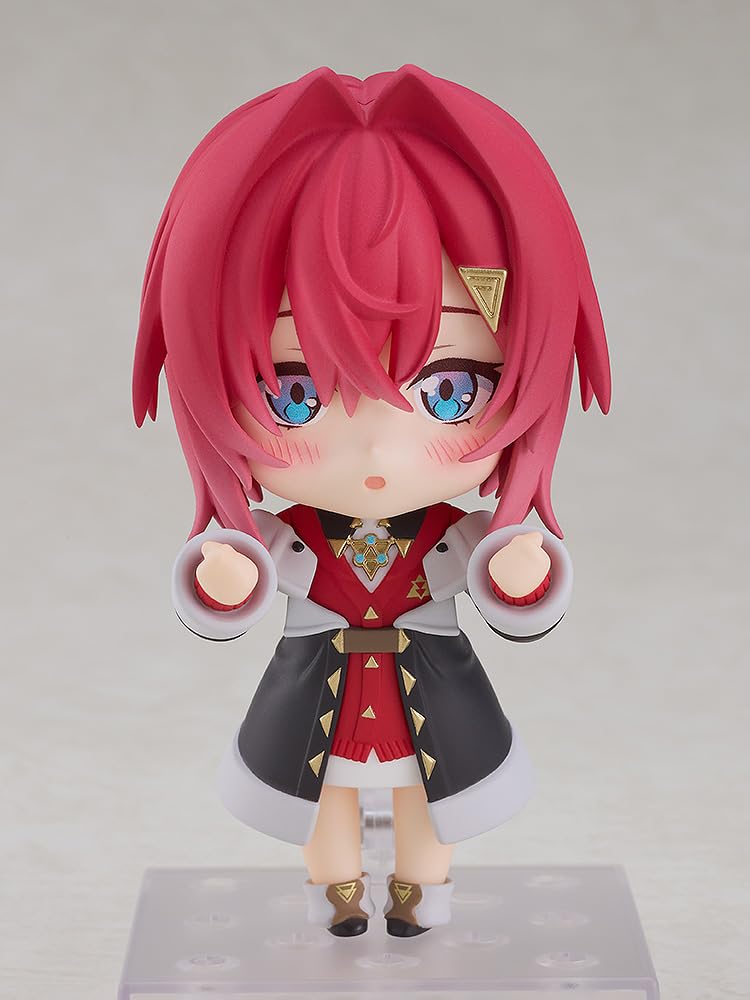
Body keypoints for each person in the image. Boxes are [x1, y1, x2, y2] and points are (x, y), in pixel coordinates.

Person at [133, 65, 610, 938]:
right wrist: (221, 579)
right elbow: (234, 579)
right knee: (324, 799)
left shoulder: (446, 534)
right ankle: (338, 892)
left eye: (450, 390)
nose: (378, 448)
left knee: (434, 797)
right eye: (293, 394)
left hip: (435, 691)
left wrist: (523, 570)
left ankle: (423, 893)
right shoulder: (295, 536)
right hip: (314, 690)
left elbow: (509, 586)